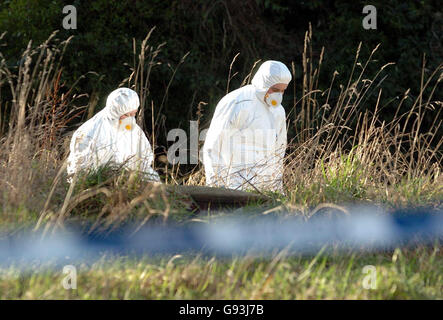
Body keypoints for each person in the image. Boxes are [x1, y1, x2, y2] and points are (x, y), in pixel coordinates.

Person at [202, 60, 292, 192]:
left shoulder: (278, 111)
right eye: (275, 89)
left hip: (264, 190)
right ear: (264, 83)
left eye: (283, 90)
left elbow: (279, 151)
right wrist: (216, 188)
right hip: (234, 188)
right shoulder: (237, 102)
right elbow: (213, 146)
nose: (279, 95)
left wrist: (277, 190)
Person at [67, 87, 160, 182]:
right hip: (98, 184)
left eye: (133, 114)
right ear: (115, 112)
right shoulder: (90, 132)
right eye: (126, 115)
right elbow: (80, 169)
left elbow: (143, 157)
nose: (130, 118)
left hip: (128, 182)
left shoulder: (133, 129)